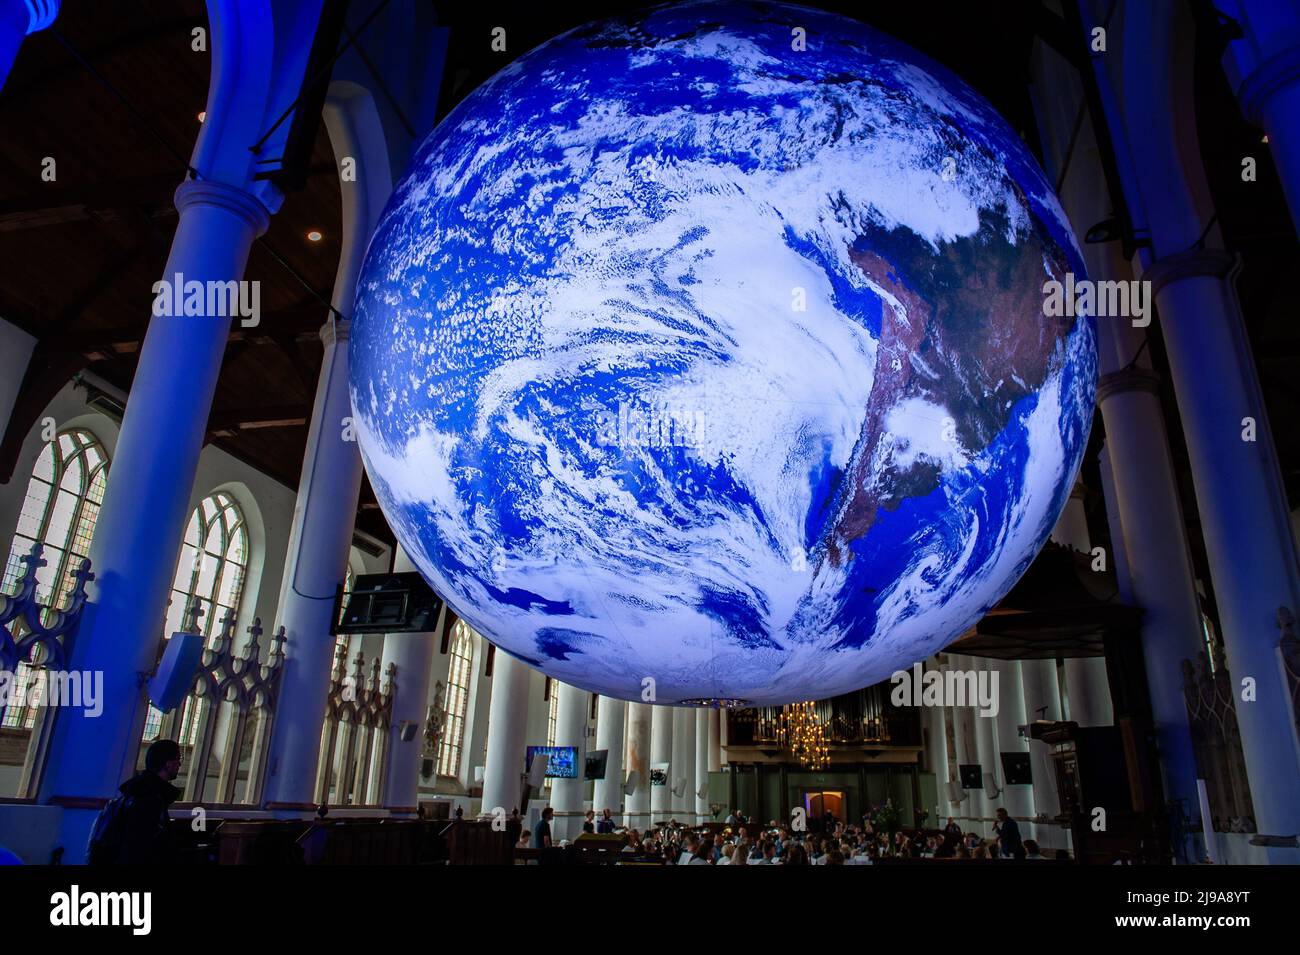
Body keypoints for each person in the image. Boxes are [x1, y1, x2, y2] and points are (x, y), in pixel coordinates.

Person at [88, 738, 182, 865]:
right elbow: (138, 849)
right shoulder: (149, 800)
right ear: (167, 764)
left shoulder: (135, 792)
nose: (179, 764)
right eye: (178, 759)